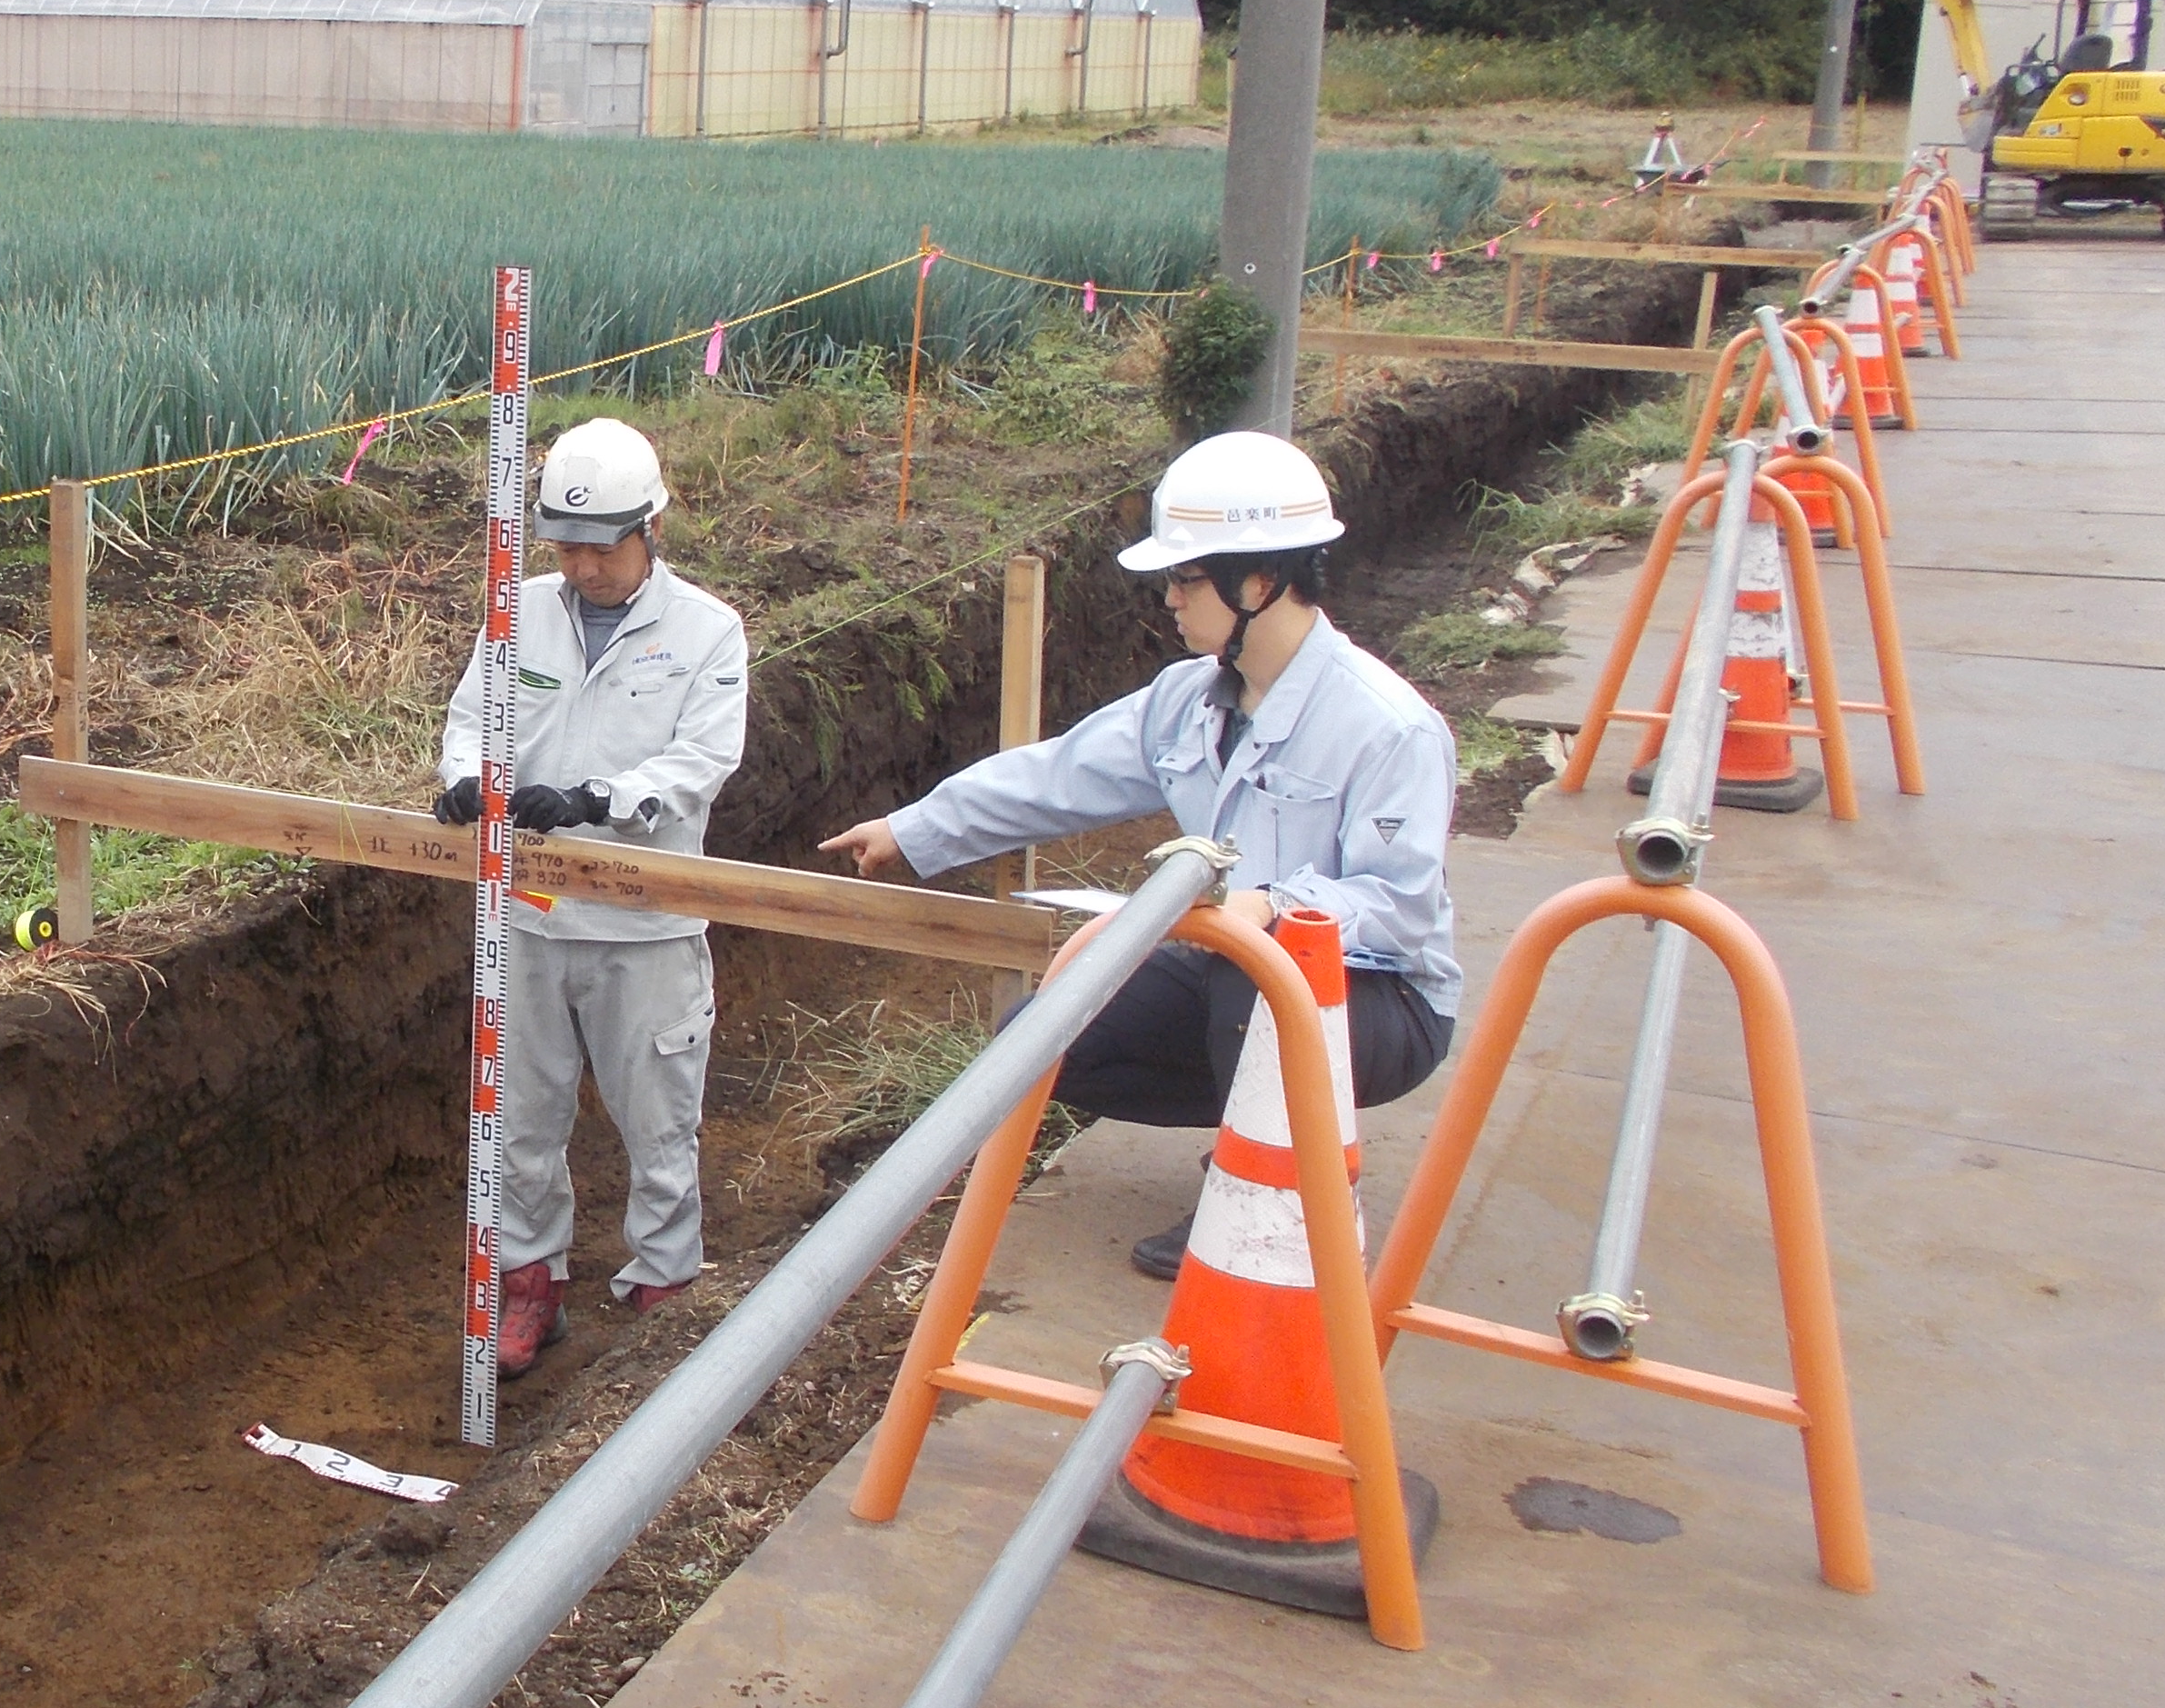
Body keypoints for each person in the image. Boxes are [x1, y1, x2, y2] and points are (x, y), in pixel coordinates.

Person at [815, 431, 1459, 1276]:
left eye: (1186, 580)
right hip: (1245, 972)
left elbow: (1401, 907)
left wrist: (1270, 906)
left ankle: (1282, 1193)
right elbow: (1058, 776)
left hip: (1381, 1000)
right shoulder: (1189, 702)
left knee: (1251, 978)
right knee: (1045, 1035)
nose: (1169, 601)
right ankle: (1263, 1127)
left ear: (1258, 581)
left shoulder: (1387, 726)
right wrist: (916, 829)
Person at [430, 416, 751, 1372]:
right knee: (520, 1116)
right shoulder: (517, 612)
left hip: (642, 928)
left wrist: (595, 801)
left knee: (658, 1120)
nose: (582, 565)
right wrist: (463, 779)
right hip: (523, 923)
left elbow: (701, 762)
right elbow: (468, 717)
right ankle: (529, 1287)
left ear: (653, 525)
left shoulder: (706, 633)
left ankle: (665, 1290)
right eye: (566, 545)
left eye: (601, 546)